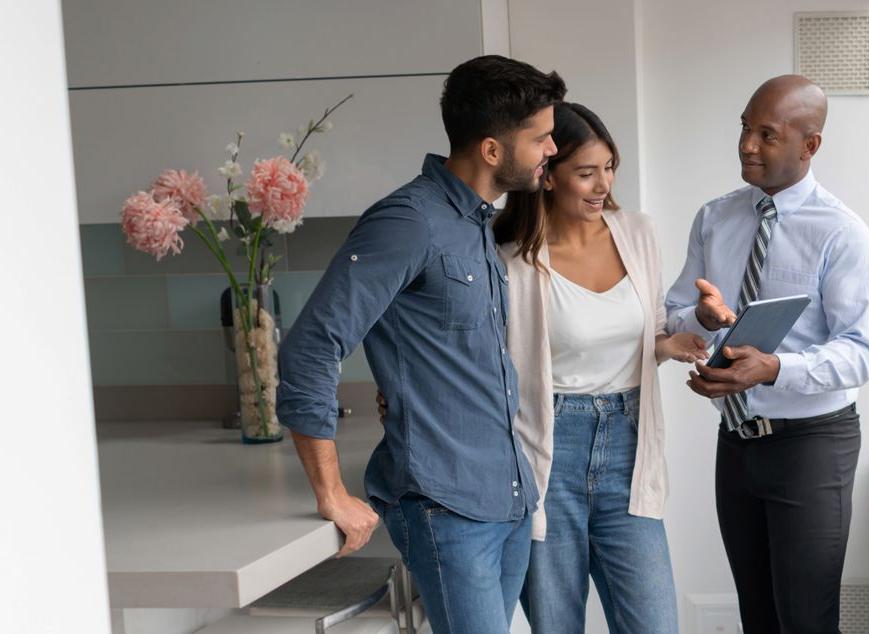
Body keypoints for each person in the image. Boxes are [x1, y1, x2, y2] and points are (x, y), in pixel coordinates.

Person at [275, 56, 563, 633]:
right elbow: (310, 346)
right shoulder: (407, 222)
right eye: (541, 138)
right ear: (490, 150)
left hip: (505, 497)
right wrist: (331, 492)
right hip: (445, 506)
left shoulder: (476, 222)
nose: (552, 149)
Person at [665, 74, 869, 633]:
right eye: (744, 127)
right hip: (734, 443)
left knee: (806, 620)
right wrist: (702, 317)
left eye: (767, 134)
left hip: (811, 446)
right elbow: (675, 312)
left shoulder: (842, 233)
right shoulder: (715, 217)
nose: (746, 145)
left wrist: (777, 367)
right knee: (757, 618)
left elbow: (861, 353)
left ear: (810, 145)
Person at [494, 102, 707, 632]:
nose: (602, 185)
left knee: (653, 624)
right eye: (586, 172)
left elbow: (650, 329)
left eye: (609, 168)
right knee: (557, 624)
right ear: (546, 175)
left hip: (628, 448)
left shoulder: (637, 233)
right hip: (548, 454)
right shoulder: (510, 261)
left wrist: (673, 341)